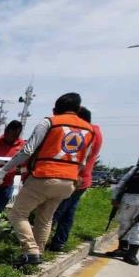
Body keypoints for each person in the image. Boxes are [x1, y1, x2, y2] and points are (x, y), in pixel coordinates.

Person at [0, 92, 96, 267]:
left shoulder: (49, 122)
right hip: (68, 182)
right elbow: (84, 160)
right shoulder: (89, 130)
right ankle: (38, 253)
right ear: (78, 109)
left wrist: (4, 169)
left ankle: (31, 251)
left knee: (17, 214)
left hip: (45, 176)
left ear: (55, 109)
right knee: (45, 218)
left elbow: (27, 150)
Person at [48, 107, 103, 251]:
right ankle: (59, 242)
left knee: (56, 211)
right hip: (82, 179)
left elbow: (76, 155)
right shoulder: (96, 132)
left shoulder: (87, 133)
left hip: (75, 178)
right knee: (68, 212)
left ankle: (39, 243)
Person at [104, 150, 139, 266]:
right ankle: (131, 254)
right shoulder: (137, 168)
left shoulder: (138, 168)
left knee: (125, 224)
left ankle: (123, 249)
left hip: (129, 199)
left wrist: (115, 197)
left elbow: (122, 182)